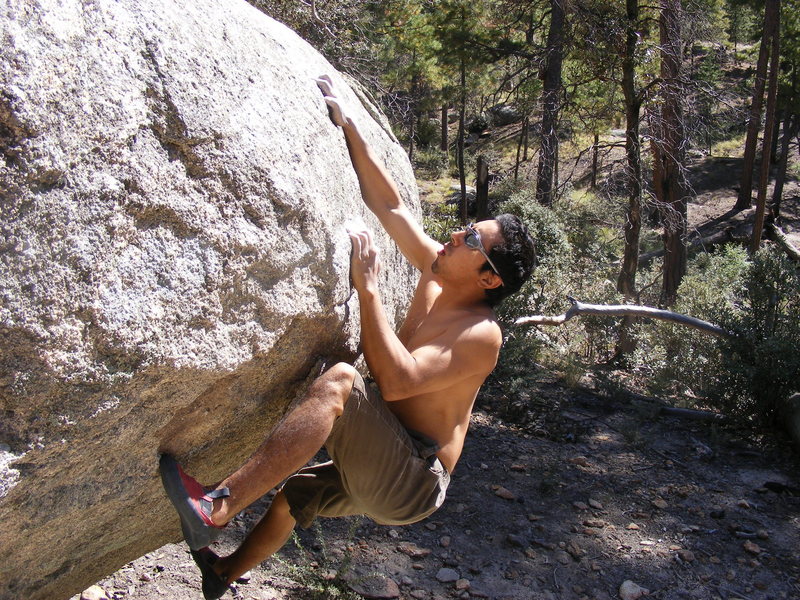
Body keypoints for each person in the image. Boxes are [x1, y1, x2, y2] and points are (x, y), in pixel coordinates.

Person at [159, 75, 536, 600]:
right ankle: (223, 574)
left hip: (416, 480)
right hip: (393, 453)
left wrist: (369, 290)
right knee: (297, 495)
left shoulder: (482, 334)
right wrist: (353, 127)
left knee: (339, 381)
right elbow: (393, 207)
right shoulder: (436, 272)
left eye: (473, 238)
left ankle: (218, 507)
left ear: (489, 277)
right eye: (468, 226)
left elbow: (400, 383)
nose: (457, 233)